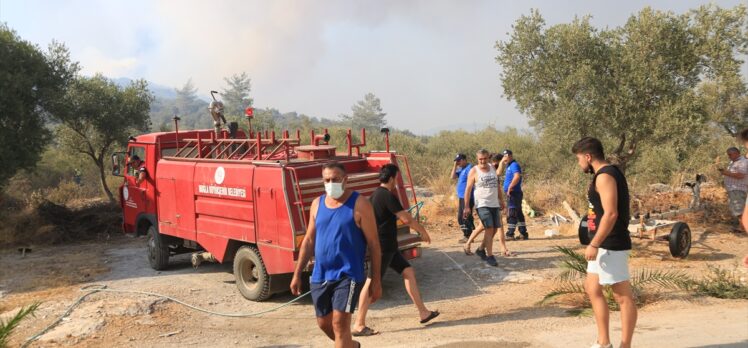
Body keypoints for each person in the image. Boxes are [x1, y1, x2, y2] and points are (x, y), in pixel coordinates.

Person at [290, 161, 383, 348]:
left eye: (335, 179)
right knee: (324, 324)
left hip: (348, 275)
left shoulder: (360, 204)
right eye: (327, 180)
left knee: (340, 323)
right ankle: (352, 345)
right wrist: (297, 273)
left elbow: (374, 244)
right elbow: (308, 240)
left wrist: (375, 280)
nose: (330, 183)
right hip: (321, 274)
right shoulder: (317, 204)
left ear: (345, 180)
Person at [352, 164, 439, 336]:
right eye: (396, 178)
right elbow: (406, 219)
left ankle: (423, 312)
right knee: (371, 282)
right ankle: (359, 324)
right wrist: (422, 231)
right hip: (383, 248)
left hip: (389, 247)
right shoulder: (386, 195)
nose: (396, 182)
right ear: (392, 178)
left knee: (408, 271)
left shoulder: (376, 194)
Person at [572, 137, 636, 348]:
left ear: (588, 156)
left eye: (579, 158)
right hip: (603, 243)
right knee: (592, 287)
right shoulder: (604, 174)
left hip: (610, 243)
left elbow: (611, 214)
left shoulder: (606, 176)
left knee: (622, 297)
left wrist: (595, 243)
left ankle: (624, 345)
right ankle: (603, 343)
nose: (579, 163)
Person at [464, 153, 511, 258]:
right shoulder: (482, 169)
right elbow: (468, 188)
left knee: (485, 227)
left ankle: (474, 246)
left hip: (493, 202)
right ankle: (490, 250)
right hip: (483, 203)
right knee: (490, 227)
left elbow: (497, 182)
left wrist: (501, 201)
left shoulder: (492, 170)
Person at [719, 147, 748, 232]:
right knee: (737, 209)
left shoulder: (743, 162)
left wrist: (726, 173)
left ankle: (743, 227)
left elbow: (741, 175)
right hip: (734, 189)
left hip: (738, 188)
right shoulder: (734, 162)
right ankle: (742, 227)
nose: (729, 156)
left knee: (738, 209)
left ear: (736, 153)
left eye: (730, 154)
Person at [501, 149, 528, 240]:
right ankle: (523, 233)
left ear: (511, 156)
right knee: (519, 213)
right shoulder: (508, 166)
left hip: (513, 192)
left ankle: (510, 234)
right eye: (504, 156)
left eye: (507, 156)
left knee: (512, 212)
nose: (505, 158)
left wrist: (510, 187)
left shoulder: (514, 165)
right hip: (513, 192)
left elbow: (517, 176)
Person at [451, 153, 475, 243]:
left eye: (459, 161)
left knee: (463, 217)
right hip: (461, 196)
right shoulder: (461, 169)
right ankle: (470, 232)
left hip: (468, 196)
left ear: (465, 160)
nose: (458, 162)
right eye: (457, 161)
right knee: (464, 216)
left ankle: (468, 235)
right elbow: (452, 177)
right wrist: (455, 165)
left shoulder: (470, 168)